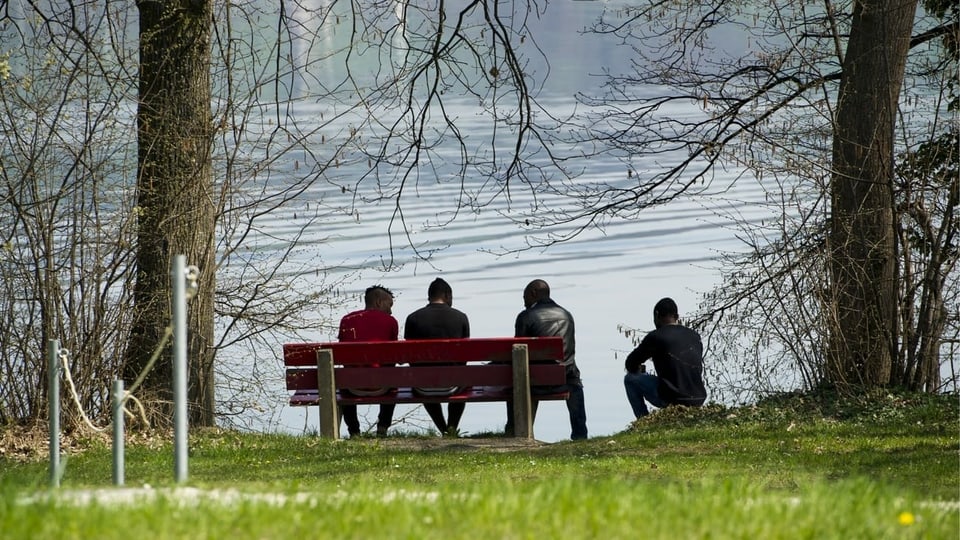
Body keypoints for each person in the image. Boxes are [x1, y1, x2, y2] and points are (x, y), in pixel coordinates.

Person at [506, 279, 588, 440]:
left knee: (516, 380)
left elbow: (518, 353)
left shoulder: (526, 316)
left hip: (536, 382)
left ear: (533, 294)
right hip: (566, 378)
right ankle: (580, 434)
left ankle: (515, 430)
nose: (524, 303)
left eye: (525, 298)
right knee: (575, 381)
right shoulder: (566, 315)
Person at [404, 277, 470, 436]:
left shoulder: (413, 318)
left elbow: (410, 358)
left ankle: (443, 429)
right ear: (447, 295)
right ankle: (452, 428)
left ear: (430, 296)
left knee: (423, 378)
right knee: (463, 378)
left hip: (423, 387)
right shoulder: (460, 317)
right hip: (453, 386)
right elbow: (465, 356)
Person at [623, 297, 706, 418]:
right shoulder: (694, 336)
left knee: (630, 379)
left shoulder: (655, 337)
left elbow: (630, 364)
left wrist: (637, 369)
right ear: (677, 316)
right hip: (698, 397)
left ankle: (643, 420)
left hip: (672, 398)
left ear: (657, 315)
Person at [338, 285, 399, 437]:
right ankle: (383, 427)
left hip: (351, 385)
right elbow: (392, 358)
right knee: (392, 376)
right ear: (379, 302)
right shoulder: (390, 322)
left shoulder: (347, 320)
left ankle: (354, 431)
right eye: (389, 305)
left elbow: (342, 356)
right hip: (382, 385)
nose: (390, 311)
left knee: (343, 379)